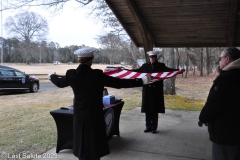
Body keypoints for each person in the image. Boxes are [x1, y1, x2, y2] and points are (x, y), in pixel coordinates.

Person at [48, 47, 151, 160]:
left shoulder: (71, 74)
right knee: (94, 147)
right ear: (91, 60)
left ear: (79, 60)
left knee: (82, 147)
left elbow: (59, 83)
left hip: (79, 117)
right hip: (94, 116)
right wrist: (141, 81)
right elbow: (118, 83)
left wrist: (51, 76)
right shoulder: (96, 75)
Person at [199, 47, 240, 160]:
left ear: (227, 59)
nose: (219, 61)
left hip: (226, 134)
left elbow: (214, 104)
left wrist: (203, 117)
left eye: (220, 58)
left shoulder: (226, 78)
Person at [130, 50, 183, 134]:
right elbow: (136, 71)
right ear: (149, 58)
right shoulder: (144, 66)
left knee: (154, 110)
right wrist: (125, 70)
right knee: (147, 109)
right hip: (147, 90)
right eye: (151, 58)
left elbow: (169, 71)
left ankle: (154, 127)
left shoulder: (161, 66)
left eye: (154, 58)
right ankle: (148, 126)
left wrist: (178, 70)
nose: (152, 59)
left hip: (156, 91)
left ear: (156, 58)